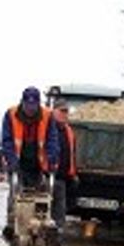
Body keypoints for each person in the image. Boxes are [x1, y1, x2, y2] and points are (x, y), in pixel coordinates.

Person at [0, 86, 60, 238]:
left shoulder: (47, 115)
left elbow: (52, 139)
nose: (31, 110)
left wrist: (52, 159)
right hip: (18, 162)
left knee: (41, 197)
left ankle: (41, 227)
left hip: (38, 163)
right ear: (23, 103)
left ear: (38, 104)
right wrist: (11, 159)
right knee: (16, 194)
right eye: (28, 106)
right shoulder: (11, 114)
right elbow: (7, 140)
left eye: (34, 106)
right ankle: (12, 224)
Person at [50, 98, 77, 234]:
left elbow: (72, 153)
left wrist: (72, 175)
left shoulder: (69, 131)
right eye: (62, 111)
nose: (65, 114)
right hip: (46, 177)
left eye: (66, 111)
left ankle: (57, 239)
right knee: (44, 210)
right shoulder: (47, 128)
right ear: (53, 111)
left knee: (60, 212)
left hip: (62, 178)